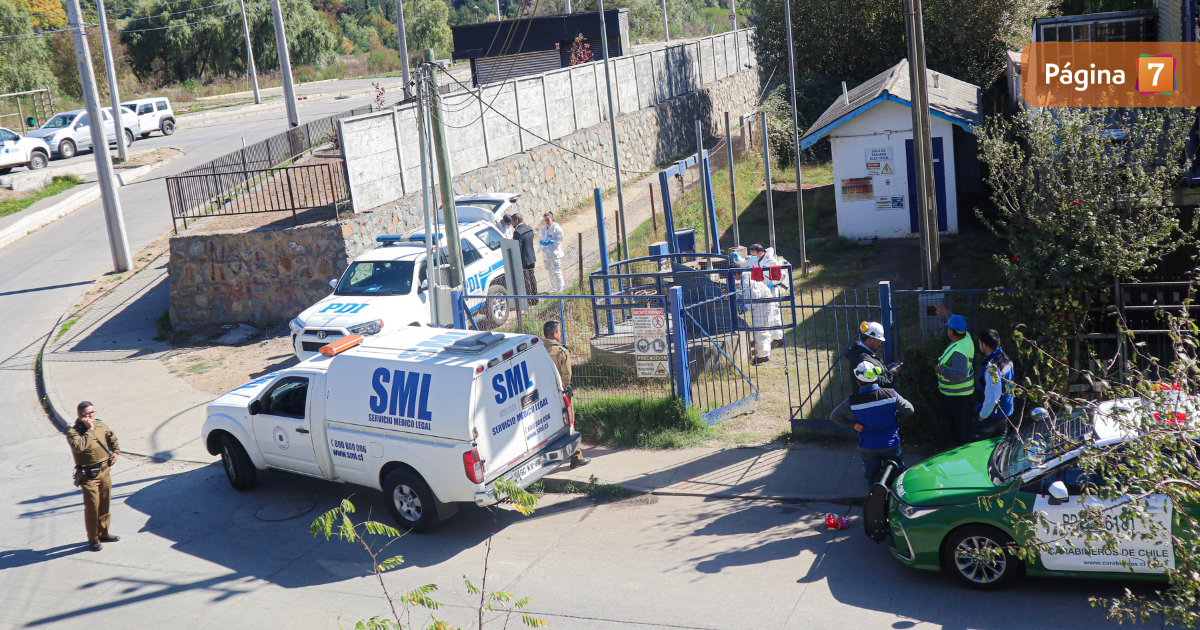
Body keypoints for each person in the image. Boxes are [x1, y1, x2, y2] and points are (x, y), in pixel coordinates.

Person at [830, 361, 915, 485]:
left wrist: (852, 424)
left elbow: (835, 416)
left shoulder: (852, 401)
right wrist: (895, 416)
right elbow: (909, 410)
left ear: (858, 381)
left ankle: (875, 502)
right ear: (876, 378)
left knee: (873, 478)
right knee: (897, 477)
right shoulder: (891, 394)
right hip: (891, 444)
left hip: (868, 446)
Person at [66, 401, 121, 551]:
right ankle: (93, 539)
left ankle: (104, 533)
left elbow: (111, 436)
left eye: (92, 412)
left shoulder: (100, 424)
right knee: (92, 508)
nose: (91, 416)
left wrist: (115, 452)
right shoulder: (74, 432)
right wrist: (90, 430)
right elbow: (79, 447)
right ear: (79, 415)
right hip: (90, 476)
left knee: (104, 505)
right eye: (87, 414)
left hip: (105, 471)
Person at [543, 321, 588, 468]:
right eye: (559, 332)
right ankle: (576, 457)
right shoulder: (561, 351)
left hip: (544, 396)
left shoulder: (538, 350)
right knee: (569, 423)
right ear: (555, 334)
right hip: (562, 395)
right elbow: (566, 375)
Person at [934, 305, 975, 445]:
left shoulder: (959, 352)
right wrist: (947, 314)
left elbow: (961, 373)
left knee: (959, 428)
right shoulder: (966, 338)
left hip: (957, 396)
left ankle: (961, 451)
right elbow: (958, 323)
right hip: (961, 394)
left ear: (951, 332)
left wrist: (941, 370)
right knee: (962, 425)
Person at [974, 328, 1014, 441]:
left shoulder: (992, 368)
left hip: (990, 416)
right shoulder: (1006, 359)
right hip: (1004, 414)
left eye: (980, 343)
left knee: (977, 449)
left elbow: (992, 398)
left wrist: (982, 416)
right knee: (998, 449)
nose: (979, 346)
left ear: (985, 345)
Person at [844, 321, 899, 388]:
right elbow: (875, 381)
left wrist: (886, 369)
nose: (880, 344)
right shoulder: (862, 358)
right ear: (870, 340)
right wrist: (892, 374)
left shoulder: (866, 354)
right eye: (878, 341)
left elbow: (874, 372)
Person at [511, 213, 538, 305]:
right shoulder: (529, 228)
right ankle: (535, 298)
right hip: (531, 257)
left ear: (516, 221)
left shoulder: (517, 232)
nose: (512, 224)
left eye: (512, 222)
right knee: (532, 278)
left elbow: (517, 247)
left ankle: (529, 300)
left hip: (524, 260)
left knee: (526, 280)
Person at [538, 211, 565, 293]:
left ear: (552, 219)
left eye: (548, 220)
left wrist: (551, 241)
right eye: (545, 220)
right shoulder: (542, 229)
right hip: (546, 254)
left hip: (554, 253)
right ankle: (554, 286)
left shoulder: (556, 228)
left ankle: (560, 287)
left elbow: (560, 240)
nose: (546, 222)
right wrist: (541, 242)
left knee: (557, 271)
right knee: (550, 271)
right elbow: (539, 239)